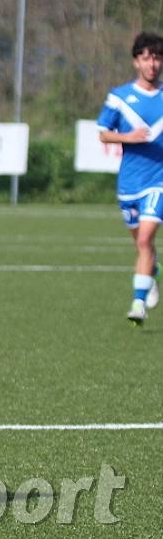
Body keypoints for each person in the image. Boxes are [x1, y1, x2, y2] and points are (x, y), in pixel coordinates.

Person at [98, 31, 163, 326]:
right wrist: (128, 137)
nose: (153, 64)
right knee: (141, 245)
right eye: (147, 58)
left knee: (147, 238)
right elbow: (103, 133)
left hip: (158, 181)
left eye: (157, 58)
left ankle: (138, 304)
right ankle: (152, 272)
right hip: (129, 182)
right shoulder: (119, 97)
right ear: (136, 62)